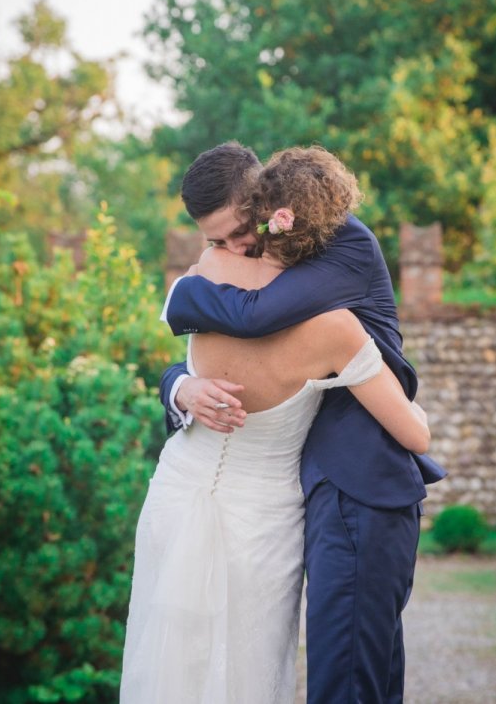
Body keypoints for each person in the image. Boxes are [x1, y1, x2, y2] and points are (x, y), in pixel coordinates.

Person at [120, 148, 432, 704]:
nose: (231, 248)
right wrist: (181, 387)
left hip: (357, 474)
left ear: (267, 204)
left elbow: (253, 316)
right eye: (215, 242)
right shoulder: (246, 267)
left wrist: (178, 294)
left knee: (354, 670)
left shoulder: (342, 246)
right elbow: (207, 360)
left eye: (239, 231)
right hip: (280, 485)